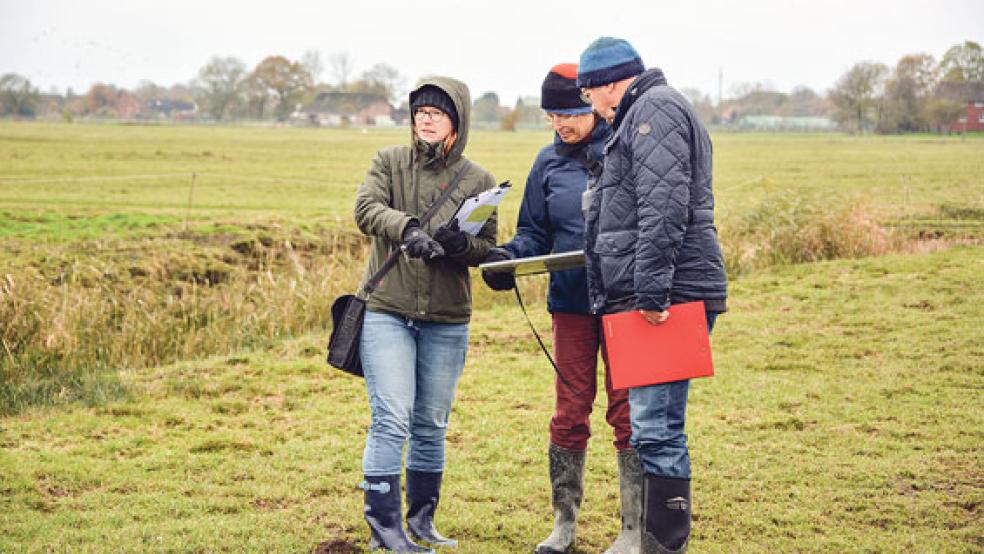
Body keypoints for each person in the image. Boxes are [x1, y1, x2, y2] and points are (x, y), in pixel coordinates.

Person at [576, 37, 728, 554]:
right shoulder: (648, 111)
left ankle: (663, 546)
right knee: (652, 427)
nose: (590, 107)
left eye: (588, 94)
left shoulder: (654, 111)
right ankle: (656, 543)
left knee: (656, 428)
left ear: (607, 84)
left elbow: (664, 206)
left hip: (668, 296)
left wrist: (650, 293)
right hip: (664, 290)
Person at [482, 64, 641, 554]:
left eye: (569, 113)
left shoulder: (628, 151)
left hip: (624, 303)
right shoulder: (546, 163)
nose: (561, 125)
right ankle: (563, 526)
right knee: (570, 413)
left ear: (590, 105)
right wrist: (507, 258)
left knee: (627, 412)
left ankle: (634, 529)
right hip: (570, 304)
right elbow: (534, 232)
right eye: (552, 115)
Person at [353, 76, 497, 553]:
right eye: (420, 111)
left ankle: (422, 520)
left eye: (437, 112)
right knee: (391, 417)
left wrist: (462, 246)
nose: (426, 118)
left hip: (446, 316)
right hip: (388, 310)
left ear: (458, 121)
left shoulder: (478, 180)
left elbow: (486, 248)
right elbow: (366, 209)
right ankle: (385, 530)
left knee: (431, 422)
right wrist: (408, 228)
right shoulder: (388, 162)